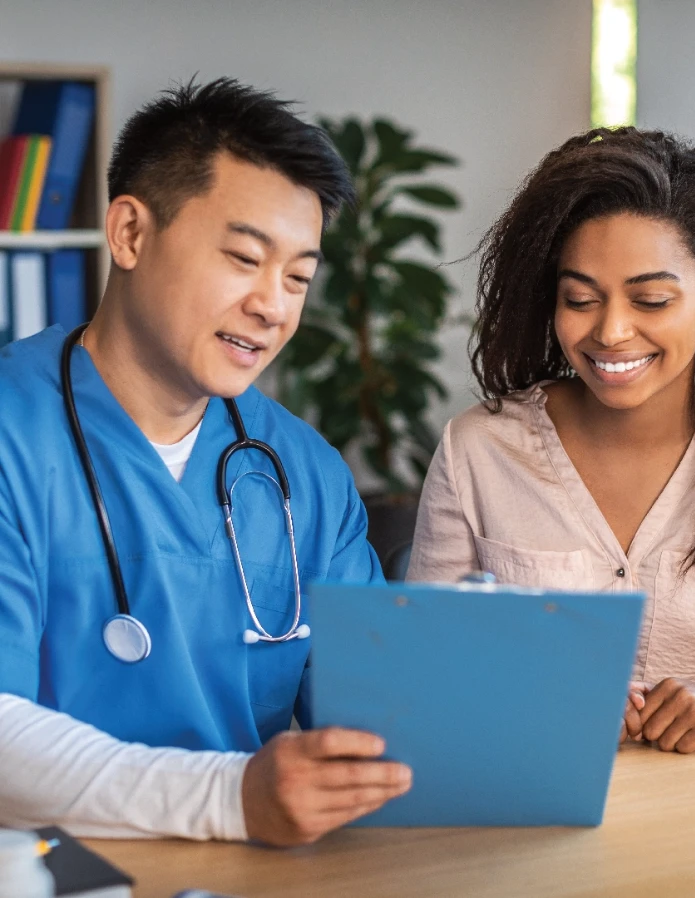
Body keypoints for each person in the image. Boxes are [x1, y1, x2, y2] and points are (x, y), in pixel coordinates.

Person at [0, 78, 411, 845]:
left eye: (298, 277)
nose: (273, 305)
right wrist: (227, 798)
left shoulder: (304, 474)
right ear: (129, 233)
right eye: (244, 259)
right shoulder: (13, 437)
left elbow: (372, 714)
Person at [408, 127, 695, 753]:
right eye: (581, 298)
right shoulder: (479, 450)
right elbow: (419, 673)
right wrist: (535, 692)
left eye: (650, 299)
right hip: (523, 810)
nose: (612, 331)